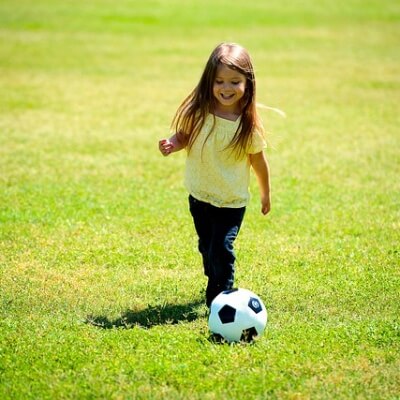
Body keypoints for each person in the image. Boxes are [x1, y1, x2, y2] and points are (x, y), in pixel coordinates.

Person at [158, 42, 271, 307]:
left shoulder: (247, 126)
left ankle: (220, 300)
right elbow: (185, 135)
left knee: (222, 249)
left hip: (231, 202)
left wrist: (266, 193)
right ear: (209, 81)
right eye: (219, 81)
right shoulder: (199, 113)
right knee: (207, 248)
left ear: (247, 83)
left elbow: (258, 161)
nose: (226, 88)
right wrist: (173, 144)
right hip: (199, 195)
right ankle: (214, 275)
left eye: (234, 82)